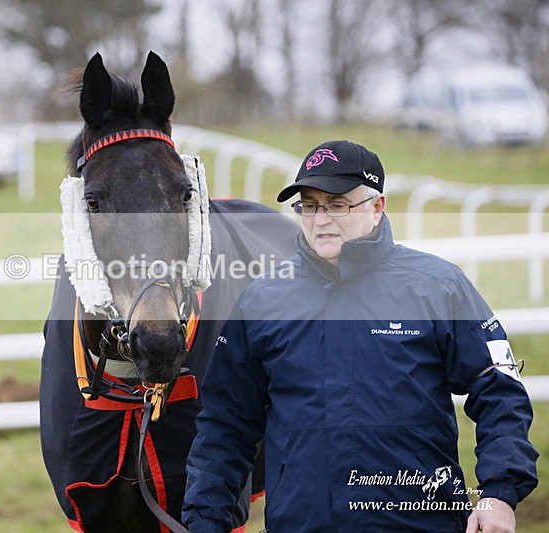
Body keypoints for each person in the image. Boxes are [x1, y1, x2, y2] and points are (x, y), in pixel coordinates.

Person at [182, 140, 539, 532]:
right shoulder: (262, 300)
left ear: (377, 206)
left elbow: (499, 392)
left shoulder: (437, 286)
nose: (320, 220)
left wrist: (498, 494)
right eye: (309, 206)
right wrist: (205, 522)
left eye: (337, 205)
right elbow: (225, 426)